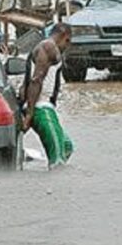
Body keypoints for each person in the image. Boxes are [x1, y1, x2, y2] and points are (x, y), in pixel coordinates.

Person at [21, 23, 74, 168]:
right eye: (68, 42)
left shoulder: (47, 48)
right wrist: (29, 114)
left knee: (66, 146)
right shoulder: (48, 48)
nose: (67, 47)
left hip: (45, 107)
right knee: (58, 161)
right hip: (40, 108)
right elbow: (36, 80)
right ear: (65, 37)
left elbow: (27, 81)